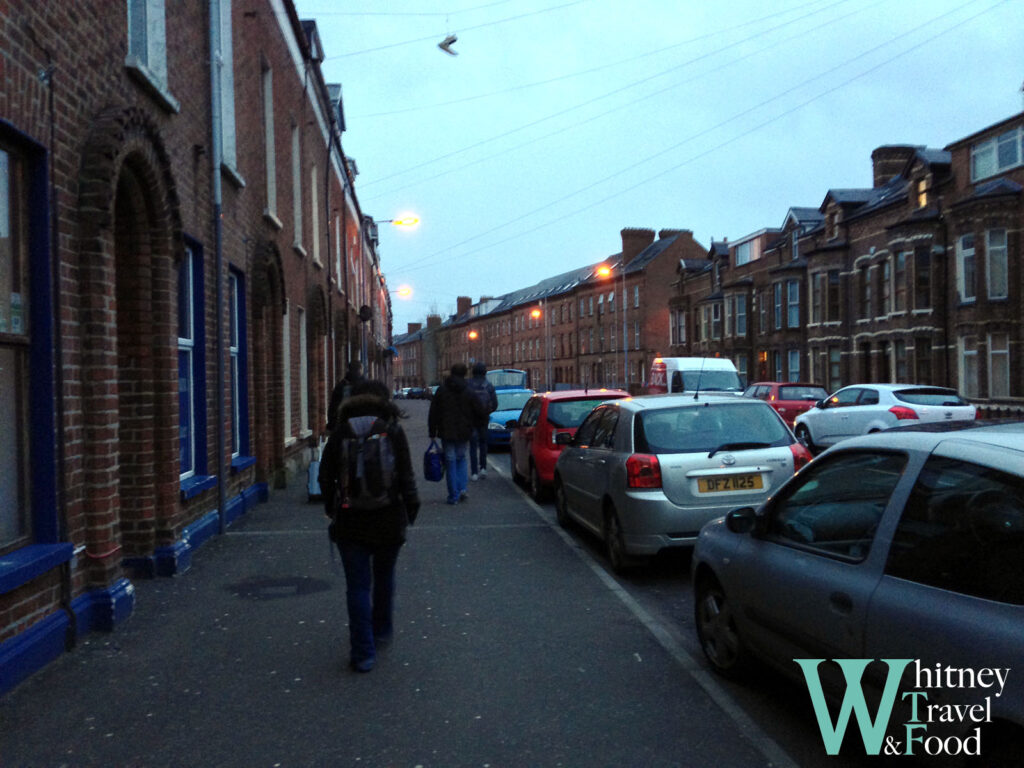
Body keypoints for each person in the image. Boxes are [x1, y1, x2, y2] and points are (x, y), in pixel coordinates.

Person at [318, 379, 420, 673]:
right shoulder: (392, 429)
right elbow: (406, 475)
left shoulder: (340, 432)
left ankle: (363, 654)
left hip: (350, 520)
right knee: (384, 576)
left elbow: (325, 477)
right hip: (389, 517)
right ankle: (382, 630)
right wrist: (410, 509)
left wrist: (331, 508)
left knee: (358, 587)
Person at [427, 362, 484, 505]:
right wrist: (475, 424)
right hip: (464, 431)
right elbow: (480, 410)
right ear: (465, 374)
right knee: (461, 459)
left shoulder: (442, 390)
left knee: (450, 461)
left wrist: (432, 431)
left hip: (446, 431)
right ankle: (462, 489)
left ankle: (453, 495)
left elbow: (433, 412)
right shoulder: (469, 391)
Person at [465, 362, 498, 480]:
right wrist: (487, 412)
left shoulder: (468, 384)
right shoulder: (488, 385)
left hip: (471, 419)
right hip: (483, 419)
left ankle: (474, 472)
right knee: (483, 444)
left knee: (473, 445)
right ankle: (483, 468)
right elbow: (495, 404)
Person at [326, 360, 366, 432]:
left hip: (345, 424)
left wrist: (331, 425)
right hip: (363, 425)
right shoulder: (366, 386)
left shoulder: (341, 386)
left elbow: (333, 406)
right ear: (360, 370)